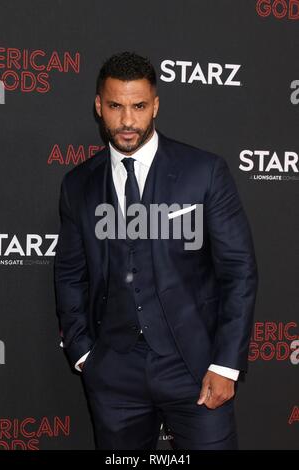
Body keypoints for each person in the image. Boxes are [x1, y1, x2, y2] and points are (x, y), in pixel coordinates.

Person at [54, 51, 258, 450]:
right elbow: (69, 273)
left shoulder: (204, 171)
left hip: (196, 368)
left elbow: (239, 270)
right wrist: (83, 353)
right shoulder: (78, 185)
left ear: (156, 106)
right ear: (99, 106)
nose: (127, 120)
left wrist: (225, 364)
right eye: (115, 106)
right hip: (114, 374)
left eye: (139, 106)